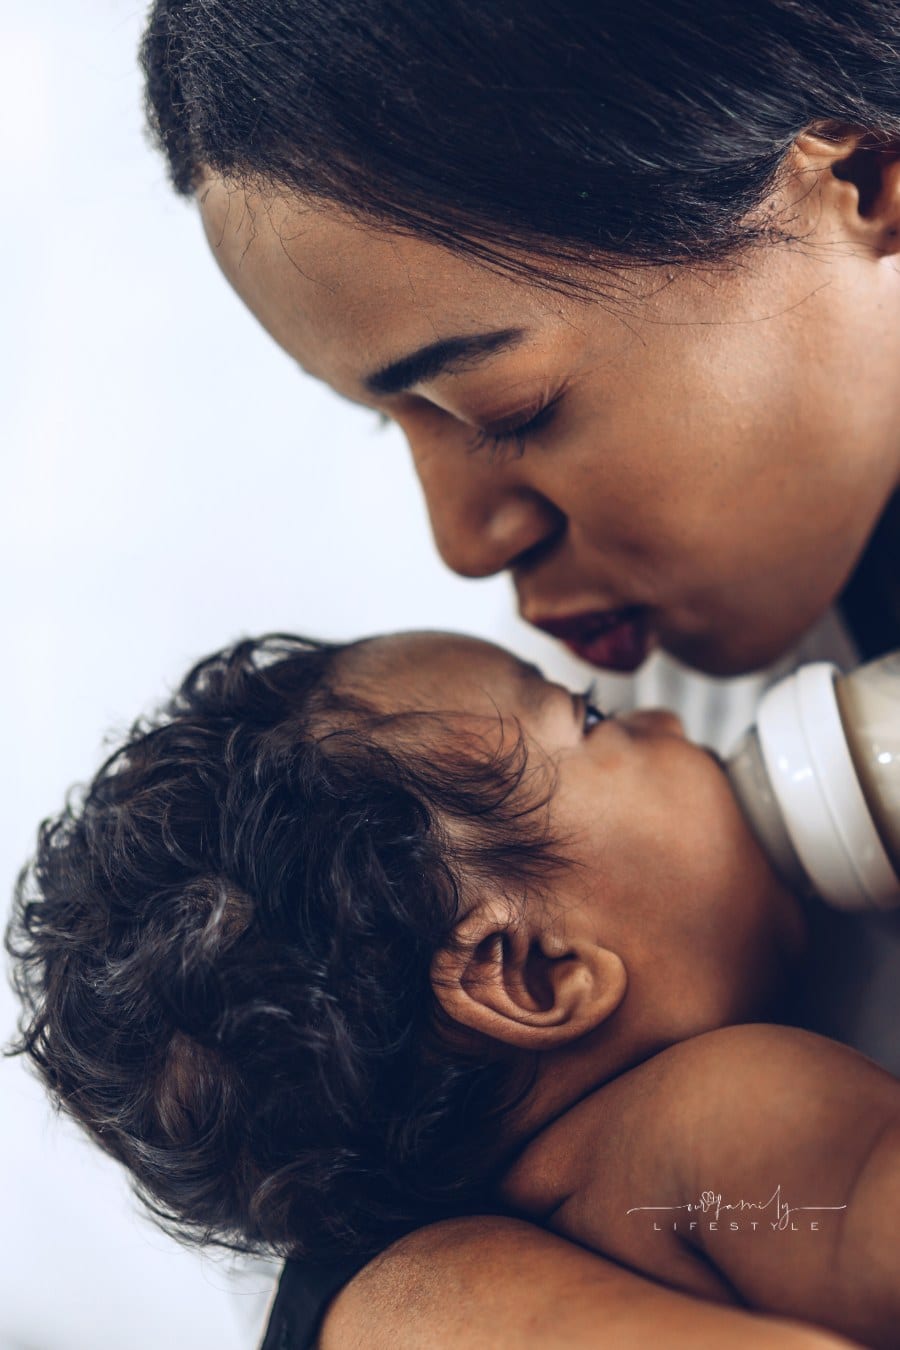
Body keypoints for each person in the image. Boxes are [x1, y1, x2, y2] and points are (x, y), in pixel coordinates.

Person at [134, 1, 900, 1343]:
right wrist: (384, 1298)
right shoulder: (632, 753)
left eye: (504, 406)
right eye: (392, 423)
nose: (460, 542)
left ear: (867, 177)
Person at [7, 627, 882, 1347]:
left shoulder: (554, 1220)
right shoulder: (708, 1124)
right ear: (534, 973)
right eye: (593, 717)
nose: (661, 716)